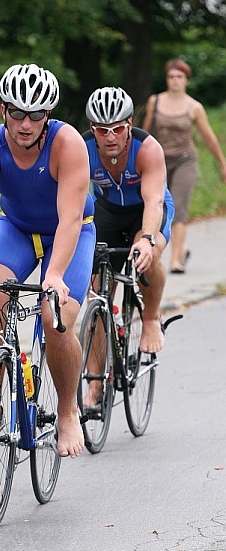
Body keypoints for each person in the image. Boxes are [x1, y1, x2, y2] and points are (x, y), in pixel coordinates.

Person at [0, 63, 95, 458]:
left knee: (54, 319)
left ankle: (66, 411)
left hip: (69, 231)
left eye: (36, 115)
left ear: (48, 116)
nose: (25, 123)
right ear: (2, 110)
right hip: (17, 229)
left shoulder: (68, 144)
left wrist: (54, 274)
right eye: (17, 113)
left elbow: (71, 218)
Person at [82, 86, 174, 368]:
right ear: (92, 129)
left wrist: (147, 238)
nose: (110, 137)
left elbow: (155, 201)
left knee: (148, 255)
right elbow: (69, 197)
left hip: (146, 212)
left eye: (117, 129)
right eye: (101, 130)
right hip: (107, 212)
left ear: (129, 125)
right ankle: (96, 382)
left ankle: (149, 318)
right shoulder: (81, 148)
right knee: (96, 294)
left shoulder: (147, 149)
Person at [143, 58, 226, 274]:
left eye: (179, 77)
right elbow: (144, 133)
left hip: (185, 160)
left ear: (186, 80)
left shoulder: (194, 107)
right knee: (157, 206)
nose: (175, 81)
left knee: (179, 207)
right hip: (159, 160)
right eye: (171, 77)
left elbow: (209, 138)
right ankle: (180, 248)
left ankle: (175, 259)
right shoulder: (156, 101)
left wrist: (222, 164)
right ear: (166, 79)